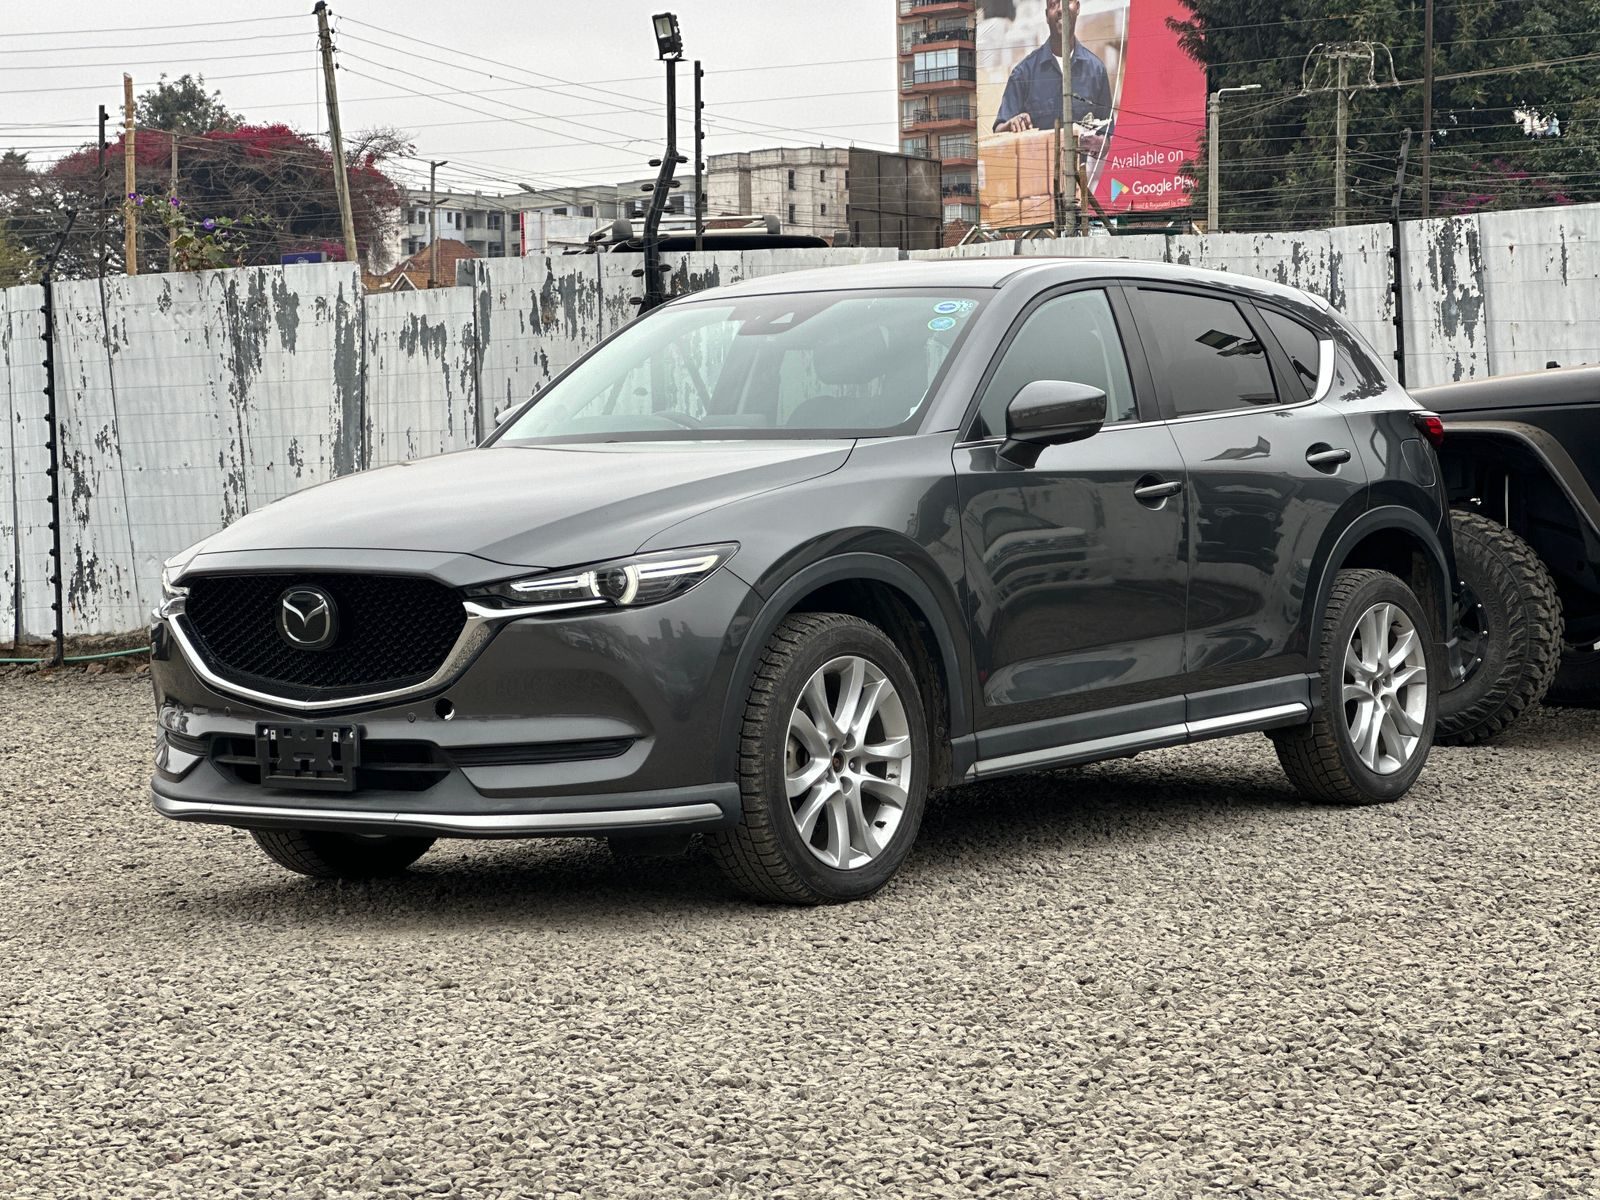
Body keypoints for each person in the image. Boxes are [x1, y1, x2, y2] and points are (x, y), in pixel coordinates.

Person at [992, 0, 1113, 157]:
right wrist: (1010, 125)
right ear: (1046, 15)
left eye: (1067, 2)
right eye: (1053, 4)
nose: (1061, 9)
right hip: (1037, 170)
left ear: (1077, 7)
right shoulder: (1023, 74)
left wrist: (1099, 144)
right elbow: (998, 131)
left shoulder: (1096, 70)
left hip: (1082, 172)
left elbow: (1108, 136)